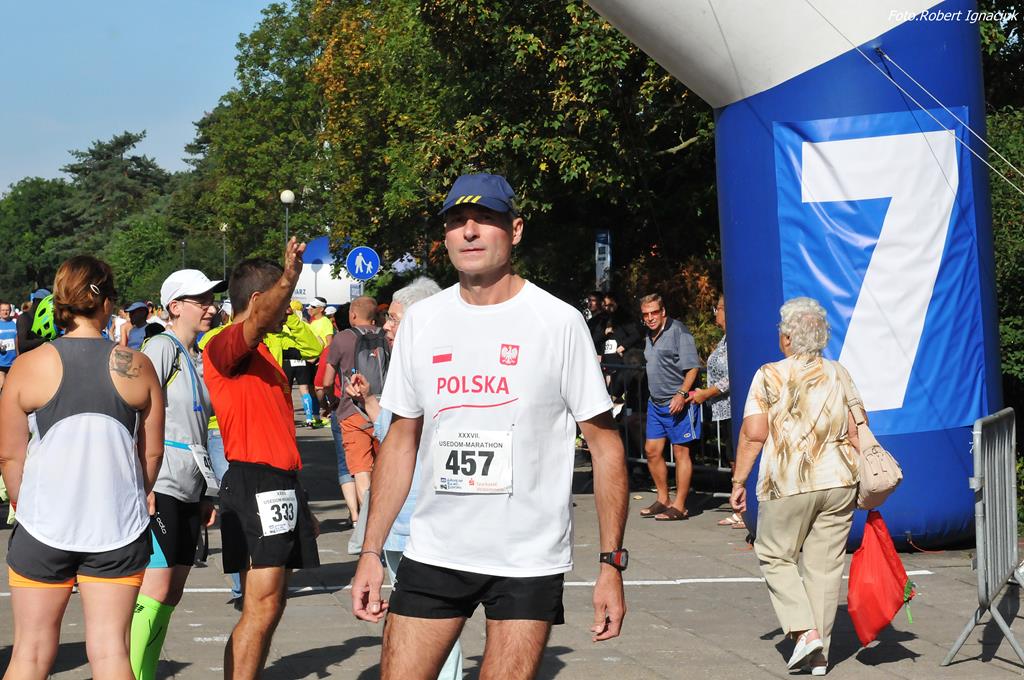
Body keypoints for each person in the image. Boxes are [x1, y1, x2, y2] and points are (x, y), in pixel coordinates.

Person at [350, 173, 629, 680]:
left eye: (485, 219)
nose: (470, 231)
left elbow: (605, 447)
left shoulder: (558, 321)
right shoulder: (422, 321)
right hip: (436, 550)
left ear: (515, 230)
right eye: (457, 221)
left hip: (527, 558)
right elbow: (400, 441)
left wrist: (611, 564)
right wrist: (372, 550)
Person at [0, 256, 164, 680]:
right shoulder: (137, 365)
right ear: (106, 302)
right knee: (111, 652)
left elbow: (10, 456)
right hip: (117, 526)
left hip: (43, 525)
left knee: (30, 654)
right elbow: (151, 455)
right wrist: (132, 494)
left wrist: (24, 504)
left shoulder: (28, 366)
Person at [202, 239, 321, 680]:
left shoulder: (265, 351)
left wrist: (301, 501)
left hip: (278, 482)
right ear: (257, 300)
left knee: (271, 603)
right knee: (262, 604)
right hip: (256, 481)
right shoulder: (225, 344)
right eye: (282, 301)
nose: (287, 311)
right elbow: (254, 322)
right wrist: (288, 277)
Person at [730, 297, 861, 676]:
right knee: (824, 567)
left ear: (787, 337)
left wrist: (739, 480)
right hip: (840, 481)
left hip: (789, 481)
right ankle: (819, 657)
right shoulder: (839, 373)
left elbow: (754, 434)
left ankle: (805, 631)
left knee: (774, 554)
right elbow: (857, 430)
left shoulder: (769, 374)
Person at [344, 276, 464, 679]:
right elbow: (393, 432)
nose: (386, 327)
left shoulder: (439, 367)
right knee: (411, 616)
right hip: (400, 515)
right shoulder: (404, 366)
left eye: (395, 319)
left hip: (426, 514)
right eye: (388, 319)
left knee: (433, 619)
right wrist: (369, 400)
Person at [130, 269, 227, 680]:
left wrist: (206, 492)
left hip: (191, 484)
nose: (210, 307)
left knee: (172, 592)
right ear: (174, 306)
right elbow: (134, 411)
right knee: (154, 589)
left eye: (211, 299)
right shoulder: (160, 347)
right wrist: (143, 482)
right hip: (161, 482)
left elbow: (197, 429)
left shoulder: (196, 355)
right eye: (200, 300)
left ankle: (145, 672)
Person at [638, 293, 702, 521]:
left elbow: (693, 367)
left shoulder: (679, 332)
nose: (650, 318)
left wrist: (681, 394)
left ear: (663, 311)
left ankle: (680, 506)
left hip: (678, 403)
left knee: (681, 452)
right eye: (646, 314)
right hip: (656, 404)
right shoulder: (649, 335)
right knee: (652, 451)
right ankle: (663, 499)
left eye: (654, 312)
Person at [321, 296, 383, 510]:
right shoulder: (387, 336)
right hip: (383, 410)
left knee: (360, 469)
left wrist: (330, 402)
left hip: (351, 411)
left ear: (353, 315)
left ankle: (368, 519)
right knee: (383, 466)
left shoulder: (342, 338)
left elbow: (327, 381)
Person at [689, 294, 739, 528]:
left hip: (735, 407)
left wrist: (708, 393)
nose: (715, 313)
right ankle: (740, 508)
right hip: (724, 409)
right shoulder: (726, 339)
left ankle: (743, 509)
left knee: (738, 459)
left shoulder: (736, 339)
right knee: (733, 458)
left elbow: (733, 375)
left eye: (717, 308)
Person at [15, 288, 54, 355]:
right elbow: (22, 345)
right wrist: (44, 340)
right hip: (28, 358)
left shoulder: (46, 318)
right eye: (43, 303)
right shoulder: (24, 318)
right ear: (35, 301)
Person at [0, 301, 16, 391]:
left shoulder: (14, 323)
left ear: (10, 311)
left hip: (13, 362)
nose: (5, 312)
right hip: (1, 362)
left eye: (7, 310)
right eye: (3, 310)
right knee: (2, 387)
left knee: (10, 388)